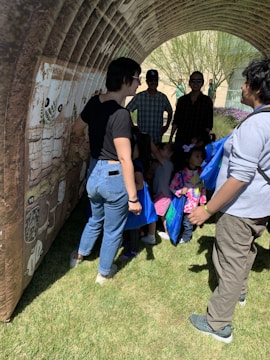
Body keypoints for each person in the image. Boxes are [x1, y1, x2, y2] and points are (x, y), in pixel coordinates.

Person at [188, 58, 270, 343]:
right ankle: (241, 292)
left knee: (228, 262)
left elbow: (240, 176)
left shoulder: (257, 125)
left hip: (240, 208)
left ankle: (218, 323)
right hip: (260, 206)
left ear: (257, 88)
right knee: (245, 252)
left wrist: (208, 210)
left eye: (247, 82)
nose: (243, 87)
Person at [69, 57, 142, 285]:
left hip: (94, 173)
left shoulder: (94, 103)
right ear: (125, 80)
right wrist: (133, 198)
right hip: (113, 178)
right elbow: (124, 158)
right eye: (137, 78)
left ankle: (79, 256)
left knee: (94, 220)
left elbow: (77, 129)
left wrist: (86, 149)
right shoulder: (120, 115)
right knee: (112, 230)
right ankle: (103, 272)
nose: (139, 83)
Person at [169, 146, 206, 243]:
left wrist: (203, 201)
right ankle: (177, 233)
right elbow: (172, 186)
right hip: (182, 203)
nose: (200, 159)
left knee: (188, 222)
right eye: (197, 156)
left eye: (201, 156)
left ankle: (186, 238)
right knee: (178, 220)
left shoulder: (201, 174)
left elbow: (203, 188)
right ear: (188, 158)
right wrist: (180, 192)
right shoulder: (181, 173)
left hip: (193, 205)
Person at [126, 69, 173, 144]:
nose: (153, 82)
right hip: (142, 139)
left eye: (155, 80)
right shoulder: (140, 97)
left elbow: (170, 112)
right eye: (151, 80)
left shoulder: (163, 98)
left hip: (157, 138)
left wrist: (166, 126)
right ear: (147, 81)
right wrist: (133, 127)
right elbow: (126, 111)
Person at [169, 71, 213, 147]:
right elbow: (176, 121)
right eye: (193, 81)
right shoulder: (182, 100)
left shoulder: (207, 101)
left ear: (202, 83)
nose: (195, 83)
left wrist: (201, 141)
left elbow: (208, 124)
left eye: (198, 81)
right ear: (189, 83)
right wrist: (170, 138)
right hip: (181, 140)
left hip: (198, 143)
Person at [152, 142, 175, 240]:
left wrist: (150, 143)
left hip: (163, 195)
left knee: (157, 214)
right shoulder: (165, 164)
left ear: (170, 154)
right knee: (162, 215)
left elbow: (156, 153)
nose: (160, 150)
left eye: (163, 149)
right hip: (162, 194)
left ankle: (152, 234)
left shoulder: (166, 163)